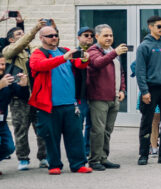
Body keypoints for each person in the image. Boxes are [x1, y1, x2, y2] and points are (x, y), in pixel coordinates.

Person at [28, 27, 91, 175]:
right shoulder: (38, 54)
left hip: (70, 103)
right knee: (51, 137)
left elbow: (79, 65)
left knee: (75, 135)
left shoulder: (65, 50)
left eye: (56, 35)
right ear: (41, 38)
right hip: (48, 105)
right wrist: (64, 58)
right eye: (50, 36)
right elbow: (40, 65)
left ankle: (78, 164)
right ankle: (54, 164)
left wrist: (85, 59)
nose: (54, 37)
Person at [3, 19, 49, 170]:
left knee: (41, 128)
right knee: (21, 129)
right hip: (19, 98)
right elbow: (20, 44)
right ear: (11, 39)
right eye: (18, 34)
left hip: (37, 95)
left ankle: (44, 157)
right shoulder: (8, 51)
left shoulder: (34, 49)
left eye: (23, 33)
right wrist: (34, 29)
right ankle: (23, 159)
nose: (23, 35)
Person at [135, 15, 161, 166]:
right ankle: (143, 155)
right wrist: (144, 91)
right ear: (150, 27)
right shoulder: (144, 47)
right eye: (159, 26)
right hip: (150, 89)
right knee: (147, 122)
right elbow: (140, 71)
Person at [85, 25, 127, 171]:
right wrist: (114, 53)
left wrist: (122, 89)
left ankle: (103, 157)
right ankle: (94, 159)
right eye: (105, 35)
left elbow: (120, 72)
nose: (109, 38)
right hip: (99, 97)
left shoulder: (112, 51)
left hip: (114, 97)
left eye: (111, 35)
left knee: (108, 130)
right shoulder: (93, 51)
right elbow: (98, 63)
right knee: (98, 130)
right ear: (97, 37)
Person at [0, 54, 26, 173]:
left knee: (8, 147)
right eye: (0, 64)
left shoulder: (7, 79)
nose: (2, 67)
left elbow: (23, 96)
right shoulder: (3, 82)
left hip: (1, 121)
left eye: (3, 64)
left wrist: (23, 85)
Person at [74, 26, 96, 155]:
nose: (89, 37)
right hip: (80, 94)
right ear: (79, 37)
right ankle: (79, 150)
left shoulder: (96, 51)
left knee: (92, 125)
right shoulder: (75, 52)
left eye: (91, 35)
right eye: (86, 35)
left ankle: (87, 150)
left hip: (94, 93)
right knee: (79, 123)